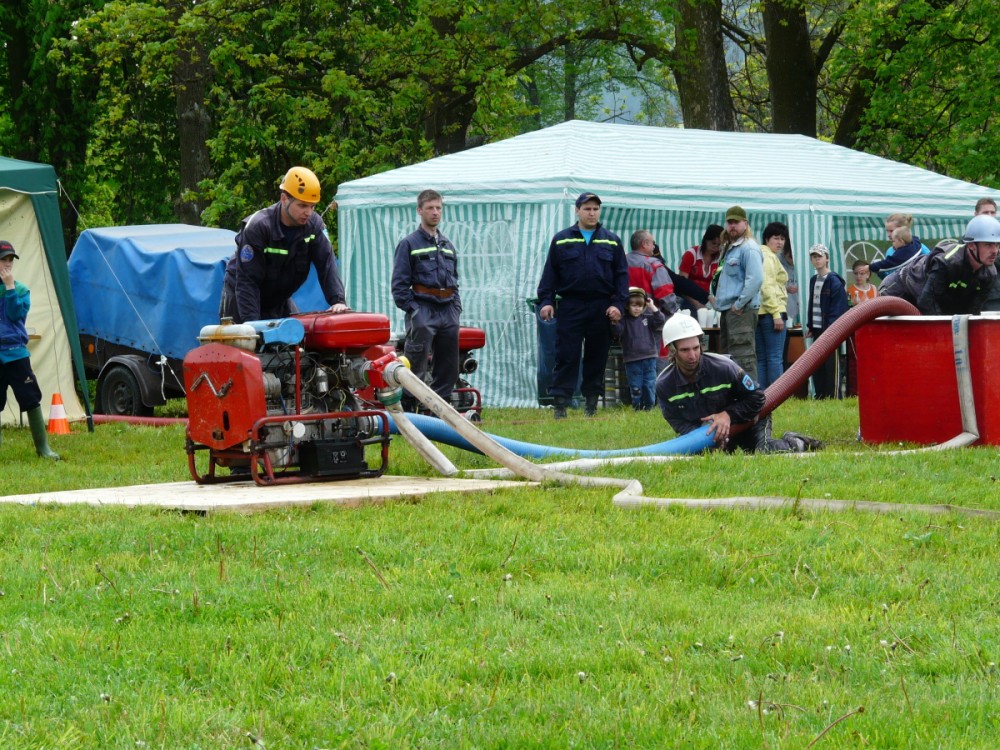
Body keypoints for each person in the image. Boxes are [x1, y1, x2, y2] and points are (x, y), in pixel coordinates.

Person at [655, 314, 821, 453]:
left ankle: (796, 442)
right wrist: (704, 437)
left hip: (748, 420)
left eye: (696, 348)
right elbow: (676, 420)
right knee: (701, 456)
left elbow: (757, 398)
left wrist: (727, 415)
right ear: (672, 350)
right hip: (713, 432)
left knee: (764, 451)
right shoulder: (664, 384)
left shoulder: (724, 367)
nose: (692, 355)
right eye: (685, 350)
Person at [537, 192, 628, 419]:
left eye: (595, 209)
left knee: (597, 356)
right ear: (577, 211)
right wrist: (546, 301)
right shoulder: (561, 239)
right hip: (571, 305)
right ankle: (560, 404)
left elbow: (621, 276)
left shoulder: (612, 241)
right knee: (566, 355)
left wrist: (619, 305)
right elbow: (550, 274)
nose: (592, 213)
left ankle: (591, 404)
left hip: (601, 306)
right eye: (587, 209)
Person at [220, 166, 348, 324]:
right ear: (284, 199)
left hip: (278, 298)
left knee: (297, 335)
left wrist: (338, 300)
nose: (308, 212)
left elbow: (327, 264)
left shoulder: (314, 226)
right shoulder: (259, 227)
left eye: (312, 206)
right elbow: (248, 282)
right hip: (242, 296)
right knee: (250, 337)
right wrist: (253, 326)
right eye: (302, 205)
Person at [391, 189, 462, 406]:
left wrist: (456, 309)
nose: (435, 212)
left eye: (438, 208)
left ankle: (440, 411)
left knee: (449, 366)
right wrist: (415, 311)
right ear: (419, 210)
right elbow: (399, 287)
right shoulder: (409, 244)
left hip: (448, 309)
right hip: (423, 308)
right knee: (415, 364)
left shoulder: (448, 246)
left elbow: (455, 281)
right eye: (430, 208)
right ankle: (410, 411)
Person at [0, 241, 60, 460]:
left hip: (16, 353)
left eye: (10, 260)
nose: (7, 264)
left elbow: (15, 315)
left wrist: (9, 288)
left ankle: (43, 449)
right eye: (3, 259)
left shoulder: (21, 290)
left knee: (31, 398)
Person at [879, 214, 1000, 315]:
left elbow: (973, 312)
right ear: (971, 245)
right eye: (988, 245)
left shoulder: (990, 274)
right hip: (899, 289)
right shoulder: (947, 263)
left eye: (997, 245)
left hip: (924, 298)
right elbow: (927, 303)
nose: (995, 251)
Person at [709, 205, 764, 380]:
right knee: (728, 359)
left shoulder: (749, 247)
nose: (732, 226)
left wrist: (739, 304)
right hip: (729, 310)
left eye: (736, 222)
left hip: (741, 311)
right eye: (730, 222)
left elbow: (755, 280)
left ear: (745, 224)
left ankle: (751, 395)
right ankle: (735, 395)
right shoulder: (730, 247)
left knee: (743, 358)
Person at [805, 244, 848, 399]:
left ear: (827, 258)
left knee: (831, 366)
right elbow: (813, 304)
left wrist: (830, 330)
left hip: (830, 331)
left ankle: (833, 397)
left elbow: (838, 309)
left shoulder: (834, 281)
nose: (817, 260)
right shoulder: (813, 280)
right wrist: (810, 325)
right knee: (818, 365)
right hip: (817, 329)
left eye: (820, 256)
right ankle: (820, 396)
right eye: (814, 257)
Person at [613, 287, 666, 410]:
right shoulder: (624, 320)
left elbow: (660, 320)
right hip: (632, 360)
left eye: (640, 305)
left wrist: (652, 307)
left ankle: (649, 407)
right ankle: (637, 406)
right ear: (627, 306)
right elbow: (617, 331)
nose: (637, 308)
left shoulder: (647, 317)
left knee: (649, 384)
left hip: (650, 358)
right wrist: (615, 321)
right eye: (634, 305)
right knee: (636, 385)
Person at [756, 222, 789, 388]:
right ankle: (777, 396)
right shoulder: (768, 257)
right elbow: (766, 286)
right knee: (775, 357)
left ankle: (762, 396)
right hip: (772, 312)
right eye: (776, 238)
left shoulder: (759, 254)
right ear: (767, 239)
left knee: (762, 359)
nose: (780, 242)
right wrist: (776, 313)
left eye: (782, 239)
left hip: (759, 312)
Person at [626, 230, 680, 315]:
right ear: (644, 244)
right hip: (650, 317)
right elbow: (665, 294)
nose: (654, 246)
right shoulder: (653, 265)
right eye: (653, 243)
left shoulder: (621, 261)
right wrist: (675, 310)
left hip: (624, 316)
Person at [861, 213, 929, 280]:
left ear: (902, 230)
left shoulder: (920, 248)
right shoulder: (890, 251)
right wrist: (879, 271)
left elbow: (931, 266)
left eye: (891, 231)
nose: (888, 234)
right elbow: (889, 277)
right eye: (887, 231)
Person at [845, 259, 878, 396]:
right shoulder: (850, 290)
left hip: (871, 330)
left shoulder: (874, 289)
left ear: (868, 274)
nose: (859, 276)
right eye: (856, 273)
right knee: (855, 361)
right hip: (856, 330)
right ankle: (855, 391)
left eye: (862, 273)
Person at [678, 225, 722, 295]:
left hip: (705, 297)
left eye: (719, 245)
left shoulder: (719, 258)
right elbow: (681, 284)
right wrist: (696, 301)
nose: (716, 247)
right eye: (713, 243)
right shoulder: (691, 254)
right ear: (705, 239)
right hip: (687, 296)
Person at [778, 235, 799, 326]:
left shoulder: (801, 264)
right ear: (784, 252)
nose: (792, 261)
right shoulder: (777, 261)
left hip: (797, 305)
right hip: (782, 308)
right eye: (790, 257)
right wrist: (786, 288)